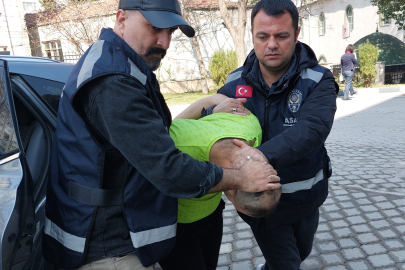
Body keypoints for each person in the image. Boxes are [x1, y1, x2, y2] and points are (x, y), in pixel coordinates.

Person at [42, 1, 281, 269]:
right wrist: (239, 178)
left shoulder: (123, 61)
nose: (164, 42)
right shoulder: (113, 82)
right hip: (107, 246)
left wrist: (210, 109)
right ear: (121, 19)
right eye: (155, 28)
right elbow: (169, 170)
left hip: (118, 231)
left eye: (171, 31)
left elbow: (155, 132)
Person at [177, 0, 339, 269]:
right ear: (252, 35)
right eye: (262, 36)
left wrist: (260, 154)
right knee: (287, 264)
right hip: (260, 203)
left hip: (306, 197)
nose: (271, 44)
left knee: (300, 252)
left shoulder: (317, 79)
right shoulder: (234, 83)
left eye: (282, 36)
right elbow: (212, 129)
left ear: (297, 34)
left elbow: (312, 129)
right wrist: (210, 111)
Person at [158, 112, 281, 270]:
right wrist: (209, 104)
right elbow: (168, 127)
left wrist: (210, 106)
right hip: (173, 228)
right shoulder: (174, 152)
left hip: (211, 217)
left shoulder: (252, 127)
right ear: (233, 189)